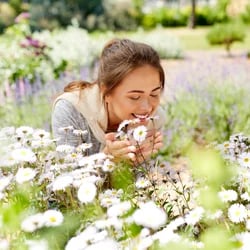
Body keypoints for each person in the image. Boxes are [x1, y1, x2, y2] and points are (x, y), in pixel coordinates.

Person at [51, 38, 166, 163]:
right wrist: (107, 159)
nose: (147, 108)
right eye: (135, 97)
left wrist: (135, 163)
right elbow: (68, 176)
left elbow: (137, 180)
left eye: (154, 94)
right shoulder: (70, 109)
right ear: (106, 92)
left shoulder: (154, 119)